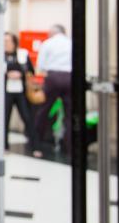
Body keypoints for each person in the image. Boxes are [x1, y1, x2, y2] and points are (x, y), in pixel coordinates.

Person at [35, 24, 72, 155]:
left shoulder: (48, 43)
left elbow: (40, 66)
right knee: (70, 114)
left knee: (43, 110)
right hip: (69, 77)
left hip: (53, 77)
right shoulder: (70, 43)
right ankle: (69, 146)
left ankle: (37, 143)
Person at [2, 32, 37, 153]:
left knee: (27, 117)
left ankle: (34, 146)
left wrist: (21, 73)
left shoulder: (22, 54)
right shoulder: (1, 55)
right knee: (4, 119)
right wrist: (6, 74)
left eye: (8, 41)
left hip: (21, 92)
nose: (6, 44)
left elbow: (31, 71)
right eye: (4, 41)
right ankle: (4, 146)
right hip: (6, 92)